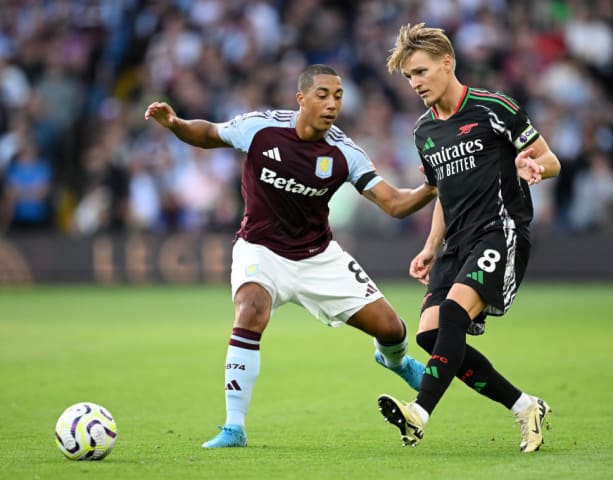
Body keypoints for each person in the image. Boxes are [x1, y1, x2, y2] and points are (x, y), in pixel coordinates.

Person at [144, 64, 437, 448]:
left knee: (391, 329)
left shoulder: (344, 152)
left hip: (318, 257)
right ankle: (234, 426)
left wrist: (432, 186)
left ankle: (395, 361)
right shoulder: (262, 128)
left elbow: (395, 204)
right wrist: (175, 124)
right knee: (249, 309)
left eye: (338, 96)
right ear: (301, 99)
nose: (332, 104)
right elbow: (210, 133)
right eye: (323, 95)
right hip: (260, 249)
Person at [376, 23, 561, 452]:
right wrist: (430, 246)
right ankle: (524, 405)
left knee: (455, 313)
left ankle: (418, 413)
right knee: (430, 334)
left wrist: (536, 169)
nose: (415, 83)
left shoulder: (493, 107)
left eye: (420, 72)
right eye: (408, 77)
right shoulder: (424, 132)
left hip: (501, 229)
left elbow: (550, 159)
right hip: (456, 243)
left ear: (447, 62)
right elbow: (442, 193)